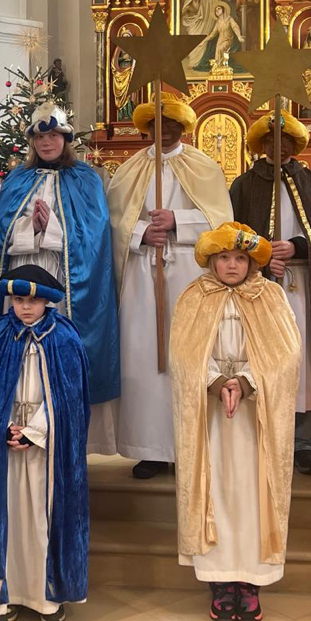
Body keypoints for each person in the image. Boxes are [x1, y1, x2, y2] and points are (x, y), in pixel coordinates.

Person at [170, 222, 301, 621]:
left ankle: (250, 578)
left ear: (251, 262)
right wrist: (214, 383)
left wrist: (244, 383)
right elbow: (182, 354)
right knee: (217, 489)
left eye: (239, 258)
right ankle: (220, 578)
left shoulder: (270, 296)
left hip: (255, 416)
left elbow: (286, 353)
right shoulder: (195, 296)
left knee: (251, 490)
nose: (231, 265)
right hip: (210, 418)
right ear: (211, 260)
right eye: (224, 258)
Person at [107, 92, 232, 478]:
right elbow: (112, 221)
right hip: (143, 277)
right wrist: (142, 232)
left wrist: (176, 221)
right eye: (158, 125)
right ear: (147, 128)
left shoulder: (203, 165)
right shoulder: (128, 170)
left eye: (173, 125)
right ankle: (152, 447)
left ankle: (191, 445)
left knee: (189, 356)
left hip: (189, 276)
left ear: (184, 128)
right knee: (144, 357)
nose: (166, 132)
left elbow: (221, 220)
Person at [0, 102, 119, 453]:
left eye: (53, 136)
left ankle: (62, 429)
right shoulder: (17, 179)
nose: (46, 143)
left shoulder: (86, 179)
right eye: (40, 137)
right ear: (32, 141)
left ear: (65, 139)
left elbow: (95, 233)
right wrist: (30, 227)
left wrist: (52, 229)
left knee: (56, 351)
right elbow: (0, 231)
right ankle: (18, 424)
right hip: (23, 267)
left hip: (61, 280)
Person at [0, 265, 90, 621]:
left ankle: (45, 596)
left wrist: (35, 431)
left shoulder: (64, 339)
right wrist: (3, 428)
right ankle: (7, 594)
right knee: (10, 517)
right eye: (19, 299)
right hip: (5, 447)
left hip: (45, 449)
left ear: (47, 302)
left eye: (33, 301)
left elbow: (71, 401)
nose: (25, 308)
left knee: (40, 519)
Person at [229, 111, 311, 476]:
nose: (278, 147)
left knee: (302, 360)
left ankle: (303, 443)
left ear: (295, 145)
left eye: (286, 141)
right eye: (270, 141)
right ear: (260, 145)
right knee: (261, 360)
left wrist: (296, 248)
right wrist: (261, 259)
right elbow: (230, 234)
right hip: (260, 286)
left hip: (303, 286)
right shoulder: (244, 185)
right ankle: (261, 437)